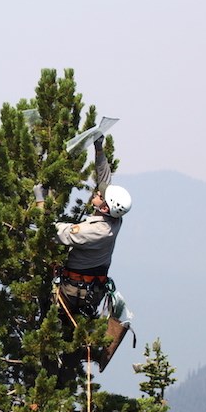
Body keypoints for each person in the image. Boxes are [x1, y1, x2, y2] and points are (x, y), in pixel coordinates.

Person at [33, 135, 132, 316]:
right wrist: (99, 149)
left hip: (75, 293)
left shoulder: (95, 231)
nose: (97, 191)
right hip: (89, 287)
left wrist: (40, 199)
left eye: (100, 195)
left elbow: (49, 230)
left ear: (104, 208)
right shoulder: (113, 217)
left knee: (46, 312)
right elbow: (104, 179)